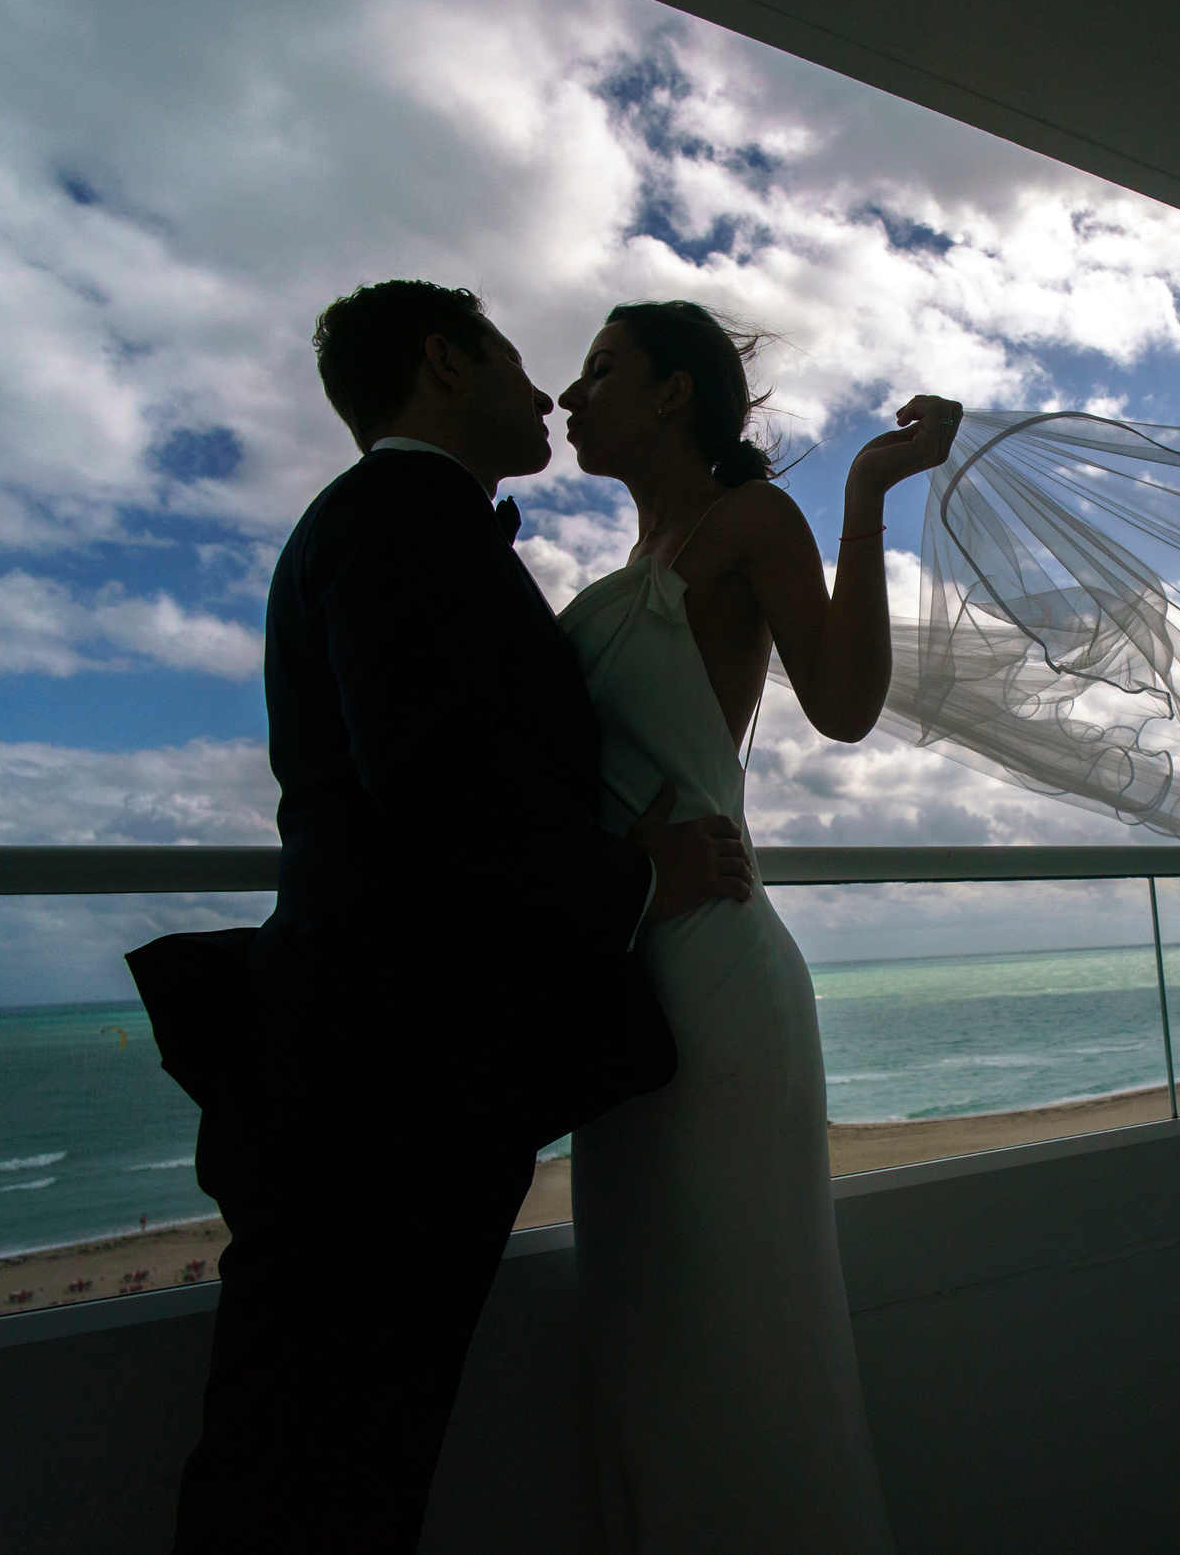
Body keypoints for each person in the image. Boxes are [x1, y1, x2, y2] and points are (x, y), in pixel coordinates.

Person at [150, 280, 756, 1555]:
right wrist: (635, 874)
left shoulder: (417, 524)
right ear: (442, 364)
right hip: (377, 1085)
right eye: (520, 362)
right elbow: (434, 775)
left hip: (383, 1074)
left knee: (343, 1455)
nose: (545, 395)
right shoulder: (398, 521)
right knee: (311, 1469)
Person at [553, 300, 960, 1552]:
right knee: (647, 1332)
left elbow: (841, 702)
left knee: (735, 1327)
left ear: (673, 394)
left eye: (599, 371)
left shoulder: (747, 524)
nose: (571, 397)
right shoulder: (612, 578)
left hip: (713, 975)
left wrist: (867, 496)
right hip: (621, 974)